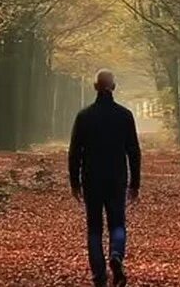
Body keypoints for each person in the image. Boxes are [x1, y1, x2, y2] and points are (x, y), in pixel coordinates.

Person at [68, 69, 142, 287]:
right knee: (117, 223)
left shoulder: (84, 116)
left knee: (94, 227)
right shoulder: (124, 115)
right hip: (116, 178)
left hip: (91, 179)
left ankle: (99, 275)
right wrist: (135, 183)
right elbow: (133, 151)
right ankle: (116, 254)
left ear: (94, 87)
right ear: (114, 87)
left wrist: (75, 182)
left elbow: (74, 152)